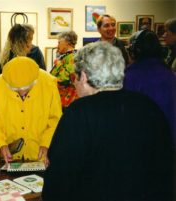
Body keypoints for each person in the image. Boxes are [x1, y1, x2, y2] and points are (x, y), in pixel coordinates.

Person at [42, 41, 174, 201]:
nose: (74, 83)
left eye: (74, 77)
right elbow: (165, 166)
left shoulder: (79, 112)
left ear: (83, 76)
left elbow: (59, 177)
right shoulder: (148, 106)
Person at [0, 56, 62, 166]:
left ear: (35, 81)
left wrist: (47, 143)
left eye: (26, 88)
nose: (21, 93)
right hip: (11, 154)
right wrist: (0, 144)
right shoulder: (0, 84)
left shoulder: (48, 82)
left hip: (40, 154)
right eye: (16, 89)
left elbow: (55, 119)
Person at [124, 29, 176, 142]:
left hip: (144, 143)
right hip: (169, 142)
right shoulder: (170, 74)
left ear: (134, 50)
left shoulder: (129, 76)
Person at [50, 31, 78, 110]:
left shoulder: (72, 57)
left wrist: (58, 64)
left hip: (67, 102)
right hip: (63, 100)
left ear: (67, 42)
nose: (57, 46)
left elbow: (65, 78)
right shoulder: (66, 56)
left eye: (59, 43)